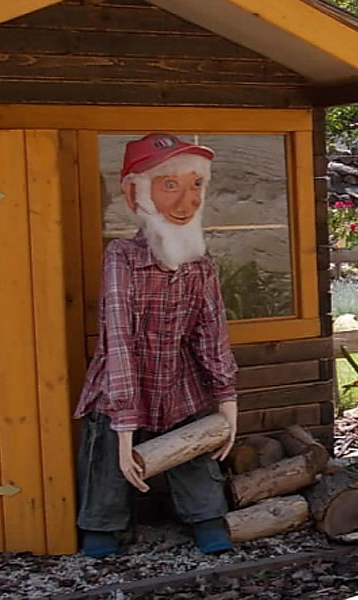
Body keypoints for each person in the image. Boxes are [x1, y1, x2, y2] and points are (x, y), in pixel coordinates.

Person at [74, 133, 239, 558]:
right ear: (135, 194)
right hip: (122, 379)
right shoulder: (122, 258)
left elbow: (211, 332)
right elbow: (119, 339)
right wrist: (124, 426)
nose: (187, 201)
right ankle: (101, 525)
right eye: (169, 185)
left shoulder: (201, 264)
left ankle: (205, 517)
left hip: (178, 380)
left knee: (194, 446)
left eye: (195, 185)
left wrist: (226, 399)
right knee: (107, 447)